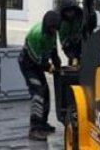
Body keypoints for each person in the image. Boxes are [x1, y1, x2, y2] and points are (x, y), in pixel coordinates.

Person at [18, 10, 62, 141]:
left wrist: (57, 65)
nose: (54, 30)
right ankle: (34, 128)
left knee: (46, 92)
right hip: (28, 65)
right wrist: (49, 67)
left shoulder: (53, 34)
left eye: (56, 28)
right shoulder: (36, 35)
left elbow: (54, 51)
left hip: (38, 65)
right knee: (38, 93)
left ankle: (43, 123)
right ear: (47, 26)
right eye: (52, 28)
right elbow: (37, 60)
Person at [58, 0, 84, 66]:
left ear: (74, 9)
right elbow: (64, 43)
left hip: (84, 48)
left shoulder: (82, 18)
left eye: (71, 11)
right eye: (67, 12)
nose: (69, 14)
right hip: (71, 50)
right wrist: (72, 57)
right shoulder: (64, 25)